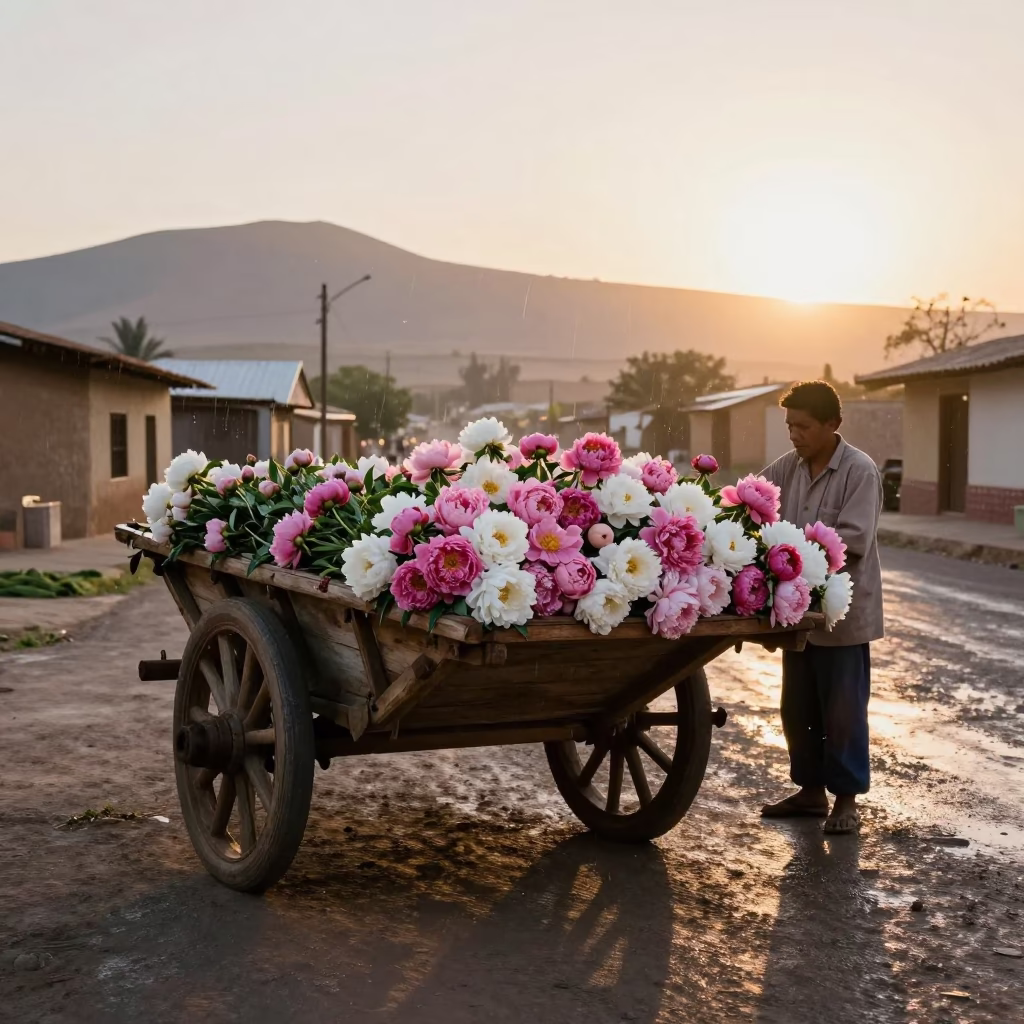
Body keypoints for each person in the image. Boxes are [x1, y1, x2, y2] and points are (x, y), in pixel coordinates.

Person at [758, 380, 883, 835]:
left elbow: (853, 540)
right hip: (798, 614)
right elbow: (754, 498)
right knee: (798, 708)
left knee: (843, 711)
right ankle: (810, 793)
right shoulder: (788, 467)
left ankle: (845, 800)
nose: (795, 435)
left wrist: (791, 551)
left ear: (833, 425)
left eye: (804, 426)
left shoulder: (859, 471)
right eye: (790, 425)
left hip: (841, 613)